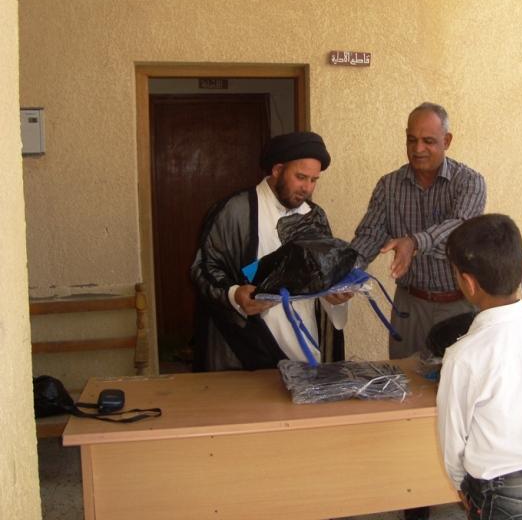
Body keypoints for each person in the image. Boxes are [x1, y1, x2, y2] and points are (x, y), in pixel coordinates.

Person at [437, 213, 522, 520]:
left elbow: (452, 439)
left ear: (469, 283)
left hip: (501, 495)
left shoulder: (463, 356)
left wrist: (462, 486)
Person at [190, 131, 349, 371]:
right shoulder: (234, 211)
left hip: (306, 349)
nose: (307, 188)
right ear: (277, 170)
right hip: (247, 350)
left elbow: (323, 274)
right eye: (300, 177)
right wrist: (234, 295)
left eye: (314, 180)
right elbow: (203, 268)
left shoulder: (315, 216)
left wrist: (333, 295)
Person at [350, 102, 487, 360]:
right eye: (411, 140)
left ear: (447, 140)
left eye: (428, 141)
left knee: (457, 381)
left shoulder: (469, 182)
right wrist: (345, 275)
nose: (418, 149)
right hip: (409, 307)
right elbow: (370, 236)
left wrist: (414, 242)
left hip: (459, 306)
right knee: (405, 379)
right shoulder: (389, 186)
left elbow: (460, 228)